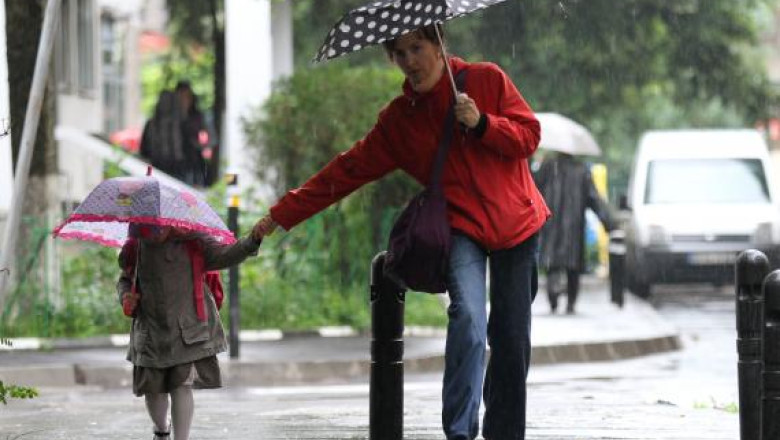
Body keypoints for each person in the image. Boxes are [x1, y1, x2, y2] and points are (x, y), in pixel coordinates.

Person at [253, 24, 549, 440]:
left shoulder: (486, 78)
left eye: (417, 47)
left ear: (441, 44)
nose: (410, 61)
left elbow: (529, 136)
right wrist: (279, 215)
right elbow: (346, 170)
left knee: (510, 338)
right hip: (462, 228)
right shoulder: (399, 121)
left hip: (517, 225)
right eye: (399, 52)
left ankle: (503, 434)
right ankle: (460, 432)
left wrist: (483, 123)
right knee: (468, 319)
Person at [117, 224, 263, 440]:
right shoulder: (135, 246)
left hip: (186, 328)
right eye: (150, 223)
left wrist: (253, 239)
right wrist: (126, 296)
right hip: (150, 330)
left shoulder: (194, 240)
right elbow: (125, 280)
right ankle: (161, 429)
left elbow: (226, 254)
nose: (156, 230)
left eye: (160, 224)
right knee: (153, 391)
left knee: (181, 385)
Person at [534, 152, 615, 314]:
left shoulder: (548, 167)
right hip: (573, 228)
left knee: (552, 264)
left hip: (551, 225)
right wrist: (609, 223)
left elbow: (534, 191)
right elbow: (594, 199)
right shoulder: (581, 171)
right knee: (573, 268)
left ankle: (553, 297)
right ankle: (571, 302)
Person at [174, 81, 210, 187]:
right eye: (180, 97)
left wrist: (199, 145)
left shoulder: (197, 116)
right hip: (174, 164)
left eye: (186, 97)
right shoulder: (171, 118)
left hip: (193, 161)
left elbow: (209, 137)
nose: (183, 100)